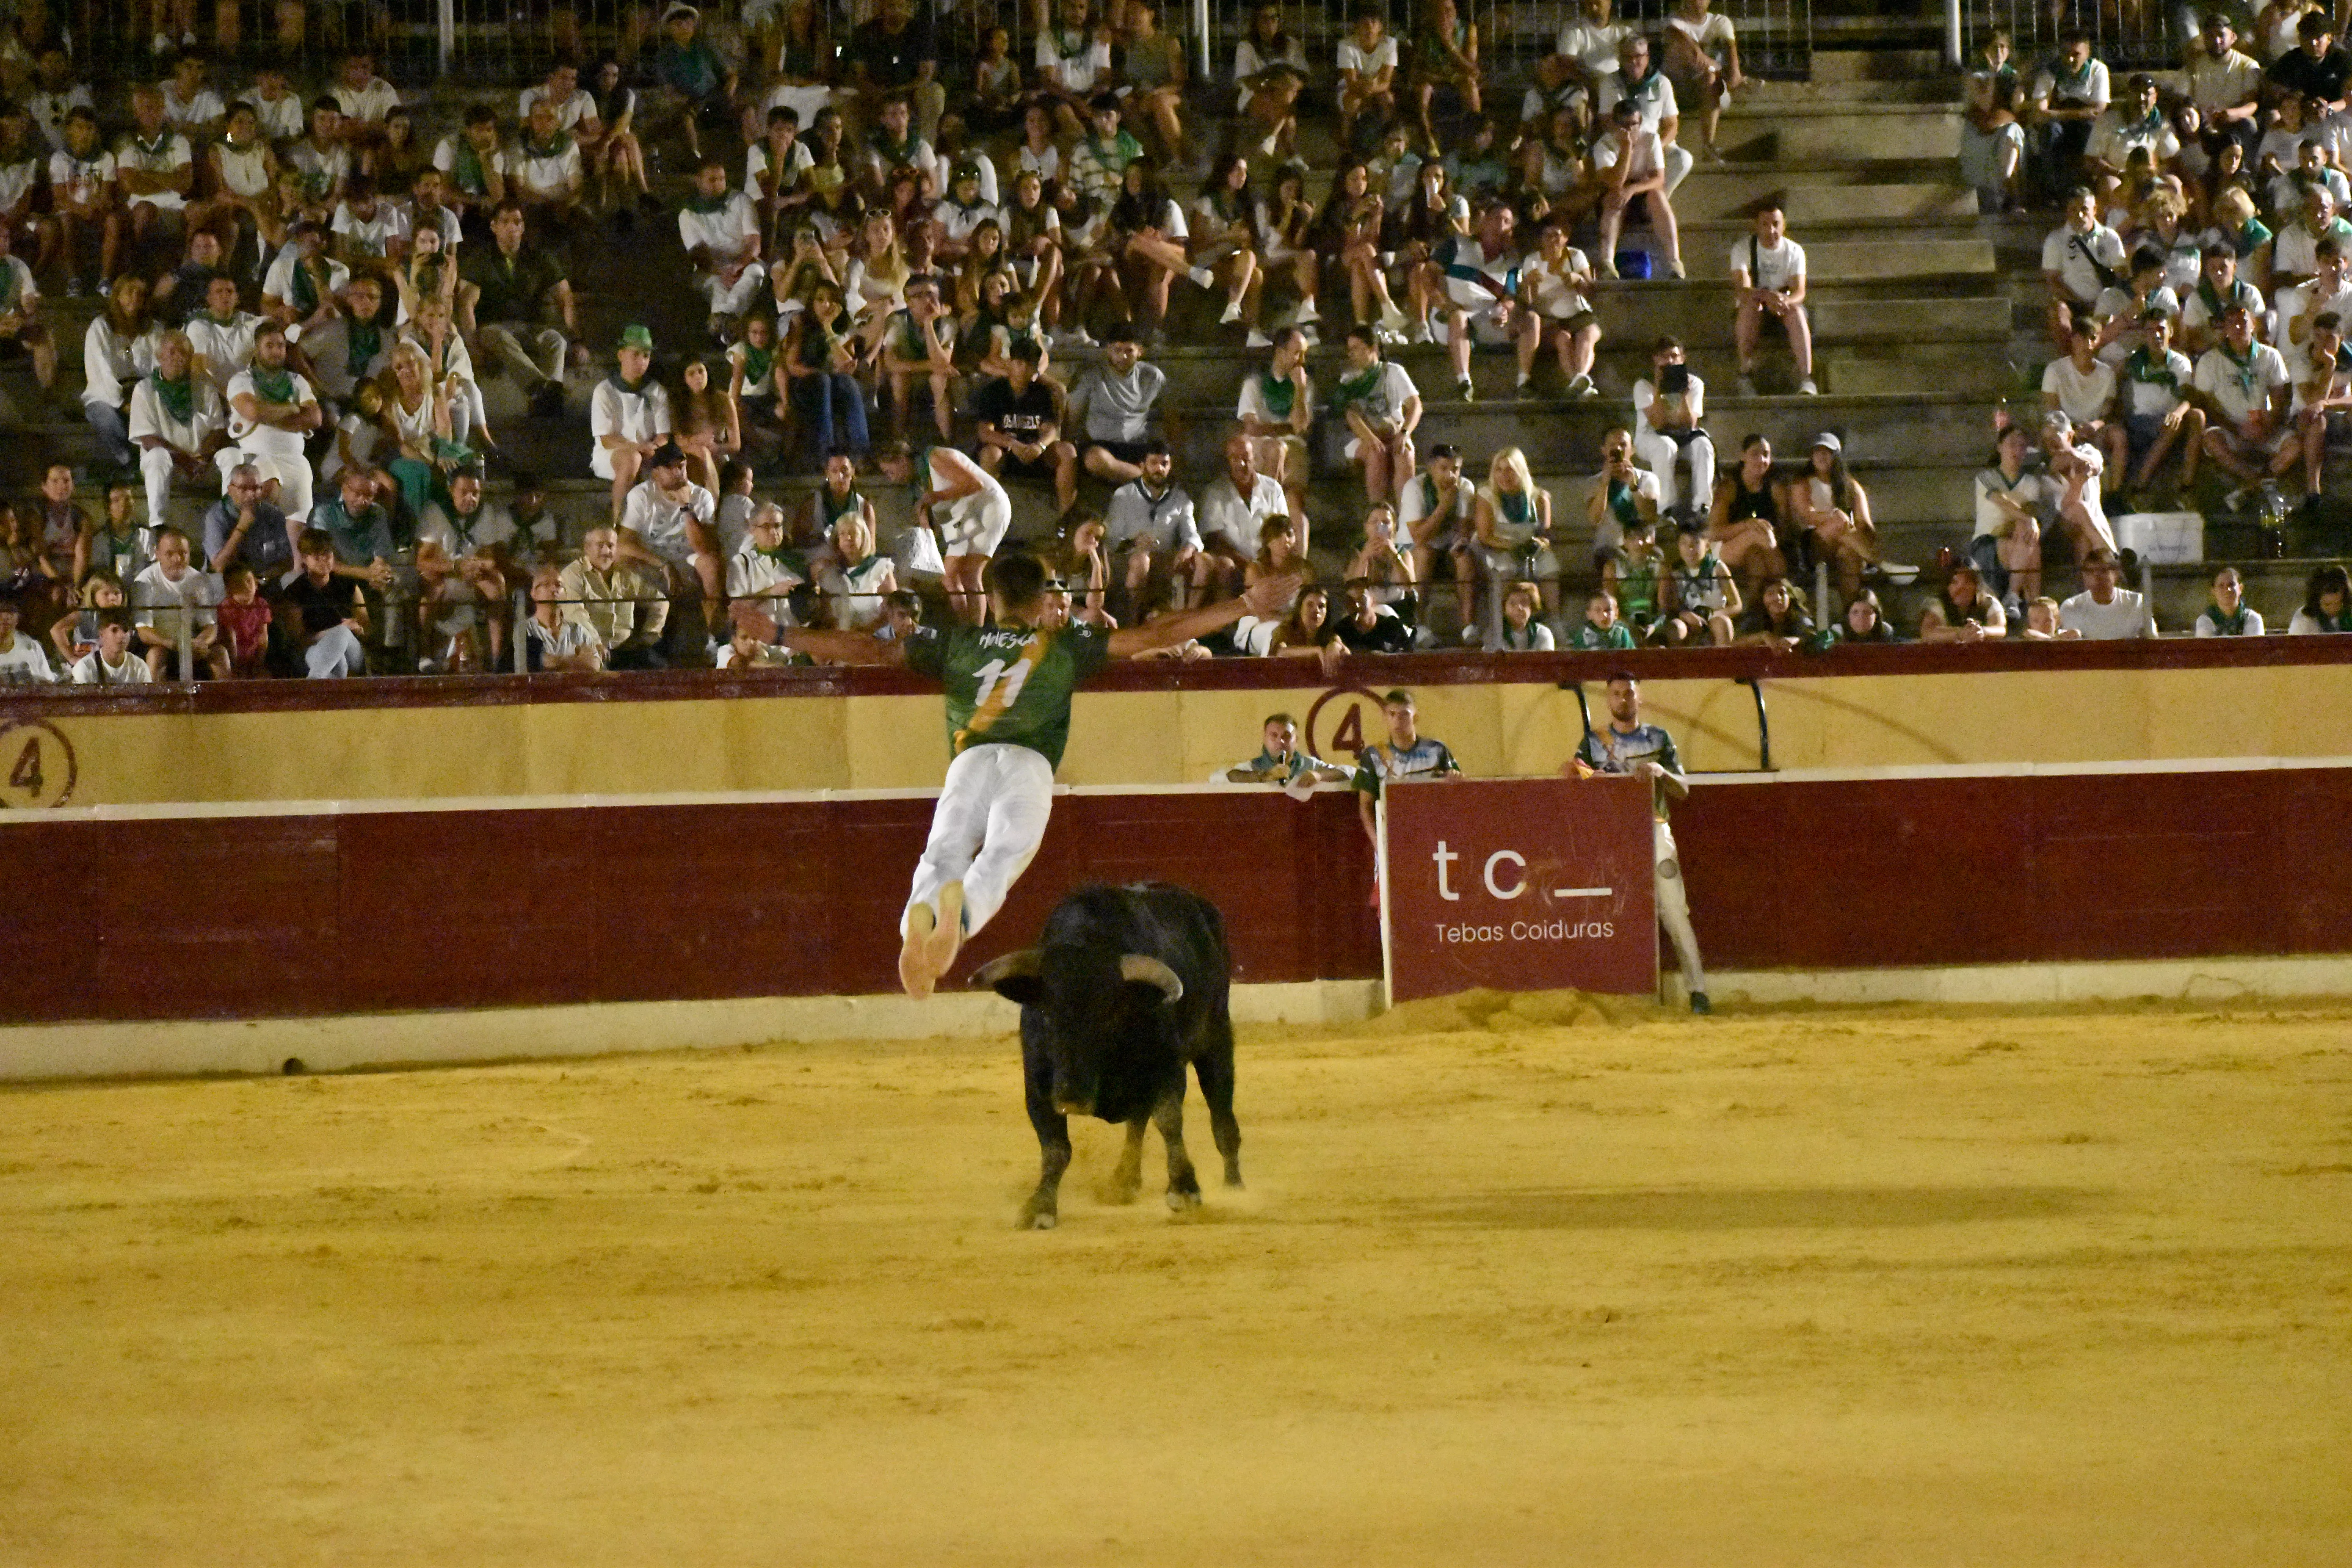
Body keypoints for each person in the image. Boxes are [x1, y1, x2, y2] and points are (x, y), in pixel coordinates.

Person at [738, 549, 1298, 996]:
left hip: (971, 758)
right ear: (1042, 600)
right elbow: (1155, 635)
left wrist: (782, 636)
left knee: (944, 851)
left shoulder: (958, 641)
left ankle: (919, 919)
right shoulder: (1064, 644)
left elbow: (870, 649)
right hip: (1029, 765)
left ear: (994, 596)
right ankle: (959, 922)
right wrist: (1243, 604)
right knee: (1002, 858)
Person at [1567, 672, 1707, 1011]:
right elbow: (1572, 772)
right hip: (1611, 836)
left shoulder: (1660, 738)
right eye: (1616, 694)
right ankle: (1612, 994)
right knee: (1610, 911)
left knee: (1674, 909)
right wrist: (1591, 777)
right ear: (1608, 699)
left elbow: (1683, 789)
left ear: (1639, 697)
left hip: (1655, 827)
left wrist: (1661, 772)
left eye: (1629, 693)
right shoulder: (1593, 742)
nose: (1623, 700)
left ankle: (1698, 992)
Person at [459, 201, 577, 419]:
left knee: (556, 340)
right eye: (505, 222)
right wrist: (472, 345)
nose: (511, 228)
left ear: (523, 228)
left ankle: (546, 399)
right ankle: (545, 390)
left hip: (532, 327)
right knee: (502, 337)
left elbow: (565, 296)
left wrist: (577, 340)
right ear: (494, 226)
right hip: (494, 327)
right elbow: (466, 303)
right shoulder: (481, 259)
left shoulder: (540, 258)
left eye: (517, 222)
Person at [880, 439, 1013, 625]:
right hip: (965, 520)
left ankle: (973, 631)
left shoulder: (936, 458)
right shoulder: (917, 484)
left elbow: (974, 484)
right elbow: (927, 523)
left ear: (902, 460)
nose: (891, 478)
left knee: (968, 573)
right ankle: (968, 628)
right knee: (953, 578)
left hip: (988, 509)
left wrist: (937, 497)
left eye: (890, 472)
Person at [2192, 302, 2295, 511]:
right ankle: (2258, 480)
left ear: (2254, 324)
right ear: (2224, 328)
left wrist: (2270, 427)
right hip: (2233, 428)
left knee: (2295, 446)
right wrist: (2237, 429)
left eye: (2243, 322)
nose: (2238, 328)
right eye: (2231, 323)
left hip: (2264, 426)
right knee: (2212, 440)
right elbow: (2210, 406)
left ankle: (2248, 489)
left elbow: (2281, 398)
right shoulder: (2211, 360)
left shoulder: (2270, 356)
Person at [218, 319, 321, 523]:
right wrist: (291, 408)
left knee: (300, 523)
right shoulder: (241, 380)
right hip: (256, 457)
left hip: (295, 458)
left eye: (281, 346)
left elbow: (315, 418)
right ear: (256, 351)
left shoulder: (297, 381)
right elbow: (253, 411)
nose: (276, 351)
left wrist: (269, 416)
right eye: (269, 346)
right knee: (269, 491)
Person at [972, 338, 1076, 512]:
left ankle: (1067, 517)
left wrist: (1040, 446)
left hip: (1035, 451)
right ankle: (987, 513)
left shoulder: (1044, 394)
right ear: (1011, 363)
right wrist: (1013, 445)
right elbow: (984, 432)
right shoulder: (994, 391)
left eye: (1029, 365)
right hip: (1006, 450)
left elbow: (1050, 429)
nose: (1023, 369)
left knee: (1067, 451)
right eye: (1019, 363)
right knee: (990, 454)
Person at [1352, 688, 1460, 849]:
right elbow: (1365, 806)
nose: (1398, 721)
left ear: (1415, 717)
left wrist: (1455, 778)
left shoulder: (1437, 750)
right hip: (1394, 838)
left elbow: (1458, 792)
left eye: (1405, 715)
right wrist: (1379, 846)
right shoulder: (1374, 756)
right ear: (1385, 717)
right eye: (1392, 714)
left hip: (1434, 837)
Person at [1331, 324, 1421, 514]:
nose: (1352, 354)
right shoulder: (1350, 379)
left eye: (1357, 348)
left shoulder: (1393, 372)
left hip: (1394, 432)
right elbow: (1351, 415)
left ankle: (1407, 519)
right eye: (1350, 349)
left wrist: (1405, 434)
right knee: (1376, 452)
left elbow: (1416, 406)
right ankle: (1377, 515)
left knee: (1404, 451)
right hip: (1362, 438)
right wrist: (1371, 438)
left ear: (1373, 349)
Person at [592, 324, 673, 523]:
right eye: (635, 355)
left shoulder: (657, 391)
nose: (641, 361)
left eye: (646, 356)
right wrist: (637, 448)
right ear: (621, 355)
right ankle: (618, 522)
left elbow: (663, 435)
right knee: (632, 460)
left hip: (647, 451)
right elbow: (607, 439)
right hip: (613, 453)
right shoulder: (605, 391)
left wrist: (653, 448)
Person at [1731, 200, 1814, 396]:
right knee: (1750, 308)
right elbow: (1742, 289)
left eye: (1776, 224)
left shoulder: (1795, 251)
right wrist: (1766, 297)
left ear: (1784, 225)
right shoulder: (1743, 249)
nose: (1771, 231)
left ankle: (1807, 379)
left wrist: (1785, 301)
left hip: (1782, 307)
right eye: (1765, 225)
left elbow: (1799, 292)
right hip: (1757, 305)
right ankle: (1745, 374)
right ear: (1756, 226)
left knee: (1797, 312)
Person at [1068, 323, 1165, 488]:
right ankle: (1151, 481)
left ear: (1140, 352)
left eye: (1129, 351)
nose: (1123, 357)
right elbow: (1073, 414)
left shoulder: (1152, 376)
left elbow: (1171, 414)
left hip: (1138, 445)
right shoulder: (1093, 376)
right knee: (1095, 461)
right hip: (1102, 445)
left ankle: (1144, 477)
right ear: (1109, 351)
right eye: (1118, 350)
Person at [1632, 335, 1714, 514]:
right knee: (1666, 446)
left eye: (1675, 356)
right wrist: (1659, 388)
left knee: (1704, 445)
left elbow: (1690, 423)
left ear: (1683, 359)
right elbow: (1658, 423)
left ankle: (1702, 507)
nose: (1670, 361)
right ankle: (1666, 509)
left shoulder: (1694, 384)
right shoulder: (1643, 385)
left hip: (1683, 437)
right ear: (1656, 360)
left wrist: (1683, 396)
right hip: (1650, 437)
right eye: (1664, 357)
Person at [1225, 711, 1348, 786]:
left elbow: (1350, 773)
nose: (1280, 741)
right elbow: (1220, 778)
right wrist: (1265, 776)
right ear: (1265, 739)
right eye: (1274, 735)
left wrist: (1320, 776)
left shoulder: (1310, 765)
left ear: (1297, 741)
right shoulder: (1251, 767)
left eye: (1287, 736)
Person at [2058, 548, 2156, 637]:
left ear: (2116, 573)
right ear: (2084, 575)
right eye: (2090, 572)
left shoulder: (2137, 603)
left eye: (2103, 571)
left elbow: (2153, 642)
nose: (2096, 577)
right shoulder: (2071, 607)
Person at [1919, 561, 2009, 642]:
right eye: (1955, 583)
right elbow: (1928, 632)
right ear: (1947, 586)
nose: (1961, 589)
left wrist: (1982, 632)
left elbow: (2000, 629)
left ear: (1976, 585)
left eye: (1967, 583)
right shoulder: (1937, 603)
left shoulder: (1988, 602)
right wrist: (1961, 633)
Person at [70, 610, 154, 685]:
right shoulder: (85, 668)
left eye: (125, 630)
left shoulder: (139, 667)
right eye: (114, 630)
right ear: (102, 634)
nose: (121, 636)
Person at [0, 592, 57, 684]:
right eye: (1, 612)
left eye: (11, 612)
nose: (6, 617)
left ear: (18, 619)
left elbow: (48, 683)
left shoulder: (31, 647)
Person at [2194, 565, 2267, 634]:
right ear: (2213, 591)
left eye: (2231, 585)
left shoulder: (2253, 619)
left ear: (2240, 588)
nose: (2227, 590)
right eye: (2221, 586)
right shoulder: (2205, 621)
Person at [2286, 561, 2351, 631]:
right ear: (2316, 601)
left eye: (2338, 603)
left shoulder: (2348, 614)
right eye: (2327, 605)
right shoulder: (2304, 619)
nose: (2333, 609)